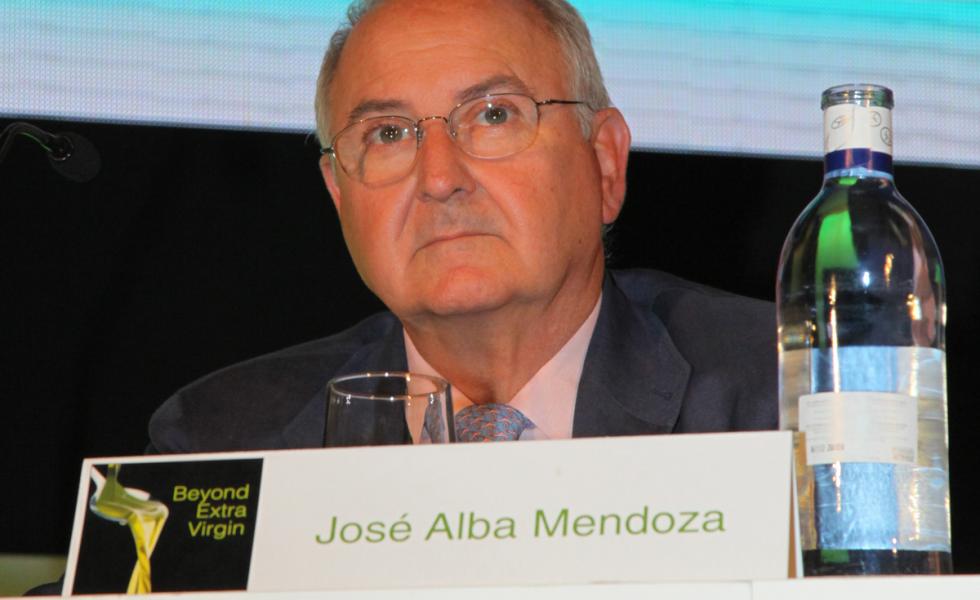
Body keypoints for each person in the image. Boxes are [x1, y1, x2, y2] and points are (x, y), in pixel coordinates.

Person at [147, 0, 776, 452]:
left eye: (494, 115)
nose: (439, 177)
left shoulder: (788, 395)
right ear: (338, 194)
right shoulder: (219, 441)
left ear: (604, 164)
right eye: (387, 134)